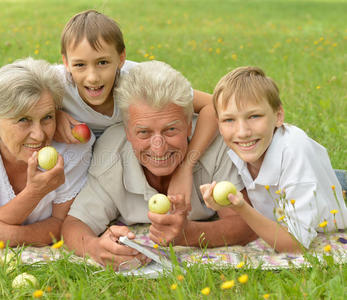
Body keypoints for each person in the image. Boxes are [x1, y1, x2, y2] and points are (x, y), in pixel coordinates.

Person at [62, 61, 257, 268]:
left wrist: (187, 234)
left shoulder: (217, 146)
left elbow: (246, 224)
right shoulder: (111, 155)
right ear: (127, 131)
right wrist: (94, 247)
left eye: (170, 130)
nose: (158, 148)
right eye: (144, 133)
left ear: (190, 124)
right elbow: (75, 224)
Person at [54, 9, 219, 210]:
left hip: (132, 158)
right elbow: (9, 102)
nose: (92, 77)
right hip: (84, 163)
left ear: (121, 58)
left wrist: (186, 167)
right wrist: (52, 116)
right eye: (79, 65)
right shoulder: (55, 85)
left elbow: (214, 105)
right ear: (65, 63)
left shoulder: (139, 79)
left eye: (103, 62)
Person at [0, 58, 94, 247]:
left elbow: (66, 224)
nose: (39, 135)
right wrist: (35, 192)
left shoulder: (72, 147)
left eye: (47, 117)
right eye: (24, 120)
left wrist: (14, 235)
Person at [200, 66, 347, 253]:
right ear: (219, 124)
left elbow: (296, 245)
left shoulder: (294, 151)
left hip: (313, 180)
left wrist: (241, 208)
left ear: (278, 116)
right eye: (229, 120)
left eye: (254, 116)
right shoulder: (235, 145)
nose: (242, 132)